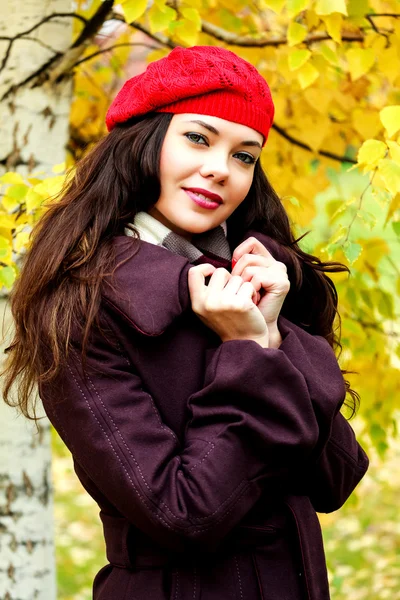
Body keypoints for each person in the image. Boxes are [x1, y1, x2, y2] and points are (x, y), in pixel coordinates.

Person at [3, 46, 368, 600]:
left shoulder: (254, 283)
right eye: (198, 138)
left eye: (245, 156)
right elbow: (182, 513)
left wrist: (270, 337)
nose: (220, 168)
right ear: (143, 143)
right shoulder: (83, 305)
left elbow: (336, 478)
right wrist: (246, 354)